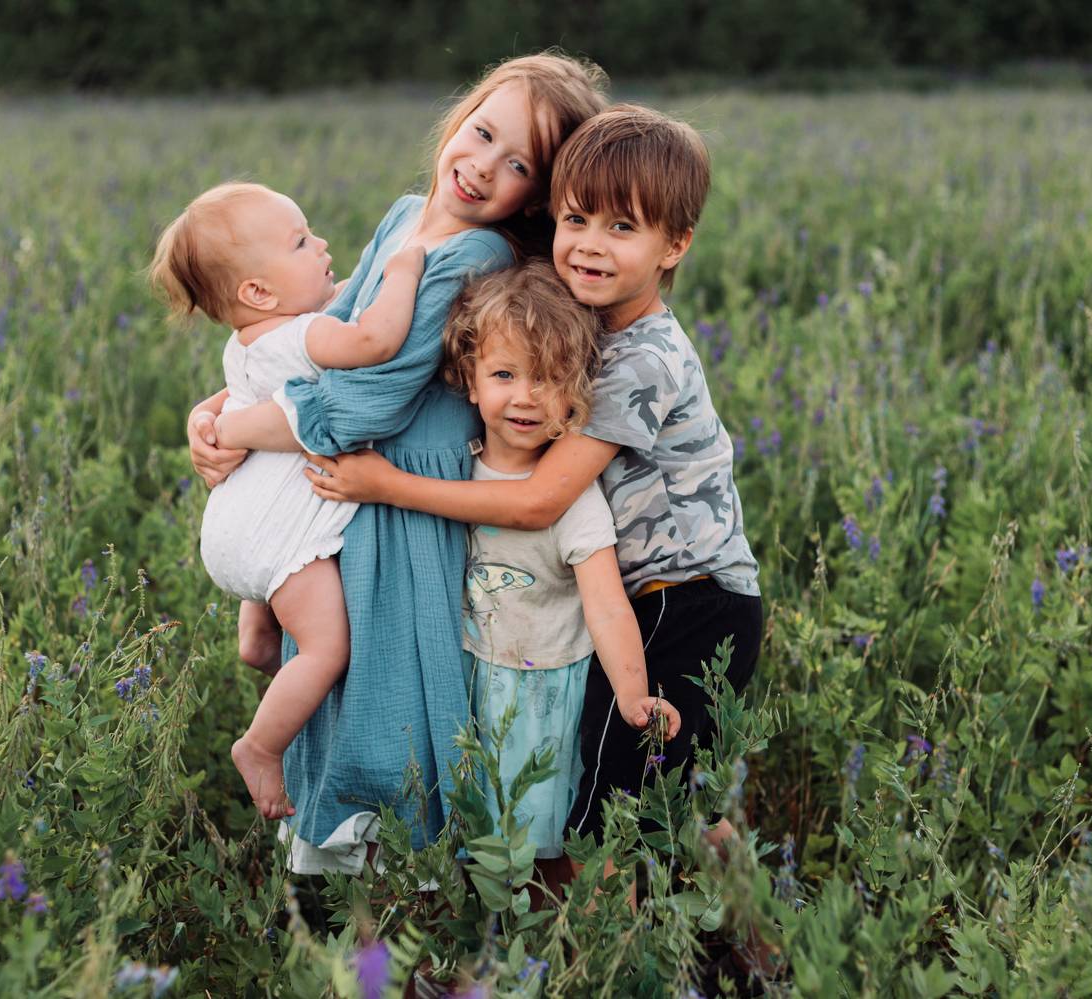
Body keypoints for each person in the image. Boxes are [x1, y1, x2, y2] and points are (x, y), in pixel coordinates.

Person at [186, 53, 608, 873]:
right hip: (349, 480)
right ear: (458, 120)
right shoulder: (407, 215)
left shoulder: (476, 257)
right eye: (481, 134)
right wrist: (219, 408)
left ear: (535, 196)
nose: (483, 166)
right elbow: (325, 332)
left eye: (519, 165)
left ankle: (398, 869)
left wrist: (241, 427)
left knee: (388, 677)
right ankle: (341, 867)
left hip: (403, 490)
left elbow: (366, 402)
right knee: (337, 667)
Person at [307, 105, 763, 852]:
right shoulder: (582, 322)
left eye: (623, 227)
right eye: (576, 219)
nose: (590, 244)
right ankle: (758, 925)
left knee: (610, 817)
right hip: (635, 599)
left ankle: (641, 928)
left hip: (686, 601)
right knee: (668, 798)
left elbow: (541, 500)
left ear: (676, 244)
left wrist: (386, 484)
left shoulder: (643, 360)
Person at [149, 181, 426, 820]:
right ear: (258, 292)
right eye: (302, 242)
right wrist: (404, 271)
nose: (322, 244)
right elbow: (375, 342)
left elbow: (240, 395)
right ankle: (261, 746)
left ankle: (260, 649)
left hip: (233, 525)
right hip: (278, 538)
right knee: (327, 648)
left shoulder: (246, 342)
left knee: (265, 645)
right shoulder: (304, 336)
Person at [441, 260, 679, 871]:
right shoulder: (452, 470)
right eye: (504, 374)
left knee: (543, 846)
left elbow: (606, 605)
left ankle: (550, 938)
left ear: (578, 394)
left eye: (549, 378)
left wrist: (633, 695)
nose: (525, 396)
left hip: (544, 694)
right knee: (471, 846)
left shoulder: (573, 500)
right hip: (468, 679)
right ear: (470, 380)